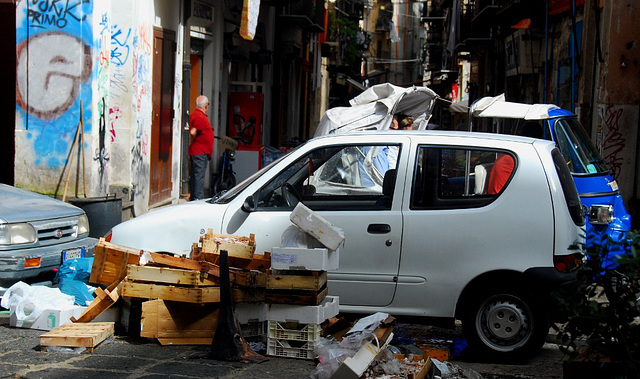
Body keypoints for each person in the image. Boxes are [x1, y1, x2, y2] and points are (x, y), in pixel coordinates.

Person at [188, 95, 214, 201]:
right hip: (200, 151)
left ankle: (195, 196)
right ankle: (197, 198)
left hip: (198, 151)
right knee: (199, 175)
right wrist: (193, 138)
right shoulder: (200, 117)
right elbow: (193, 131)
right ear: (206, 106)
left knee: (196, 175)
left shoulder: (196, 114)